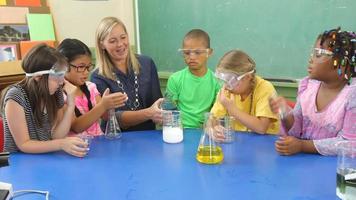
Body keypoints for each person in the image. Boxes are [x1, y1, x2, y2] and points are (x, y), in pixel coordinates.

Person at [269, 27, 356, 156]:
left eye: (319, 54)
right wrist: (285, 113)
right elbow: (297, 129)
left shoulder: (352, 95)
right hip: (304, 166)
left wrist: (302, 146)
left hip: (334, 169)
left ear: (342, 64)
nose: (311, 59)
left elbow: (350, 144)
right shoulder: (308, 86)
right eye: (312, 54)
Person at [0, 44, 88, 157]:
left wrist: (70, 105)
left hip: (46, 157)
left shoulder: (54, 92)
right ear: (38, 77)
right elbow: (24, 144)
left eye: (62, 76)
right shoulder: (16, 96)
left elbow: (57, 136)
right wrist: (61, 144)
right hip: (21, 161)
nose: (61, 82)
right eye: (57, 76)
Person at [91, 17, 163, 131]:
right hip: (117, 138)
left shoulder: (147, 63)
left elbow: (157, 103)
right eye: (112, 41)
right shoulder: (98, 76)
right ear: (101, 45)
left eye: (123, 37)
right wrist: (149, 113)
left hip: (148, 135)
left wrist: (161, 114)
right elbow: (111, 116)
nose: (120, 44)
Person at [58, 38, 128, 136]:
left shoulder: (90, 87)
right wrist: (103, 105)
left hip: (98, 143)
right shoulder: (60, 95)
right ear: (64, 66)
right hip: (77, 148)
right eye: (81, 67)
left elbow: (104, 115)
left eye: (88, 67)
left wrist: (111, 103)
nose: (86, 72)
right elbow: (76, 127)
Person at [211, 49, 279, 136]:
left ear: (247, 77)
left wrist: (232, 109)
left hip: (264, 143)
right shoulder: (228, 91)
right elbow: (211, 118)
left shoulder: (265, 89)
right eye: (224, 80)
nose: (226, 85)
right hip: (239, 141)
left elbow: (261, 128)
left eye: (230, 80)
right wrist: (212, 129)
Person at [165, 29, 220, 128]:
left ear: (209, 52)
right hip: (180, 131)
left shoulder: (217, 82)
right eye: (187, 53)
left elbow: (217, 113)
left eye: (198, 52)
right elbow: (169, 112)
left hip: (206, 131)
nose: (192, 57)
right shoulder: (175, 79)